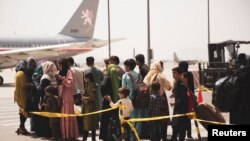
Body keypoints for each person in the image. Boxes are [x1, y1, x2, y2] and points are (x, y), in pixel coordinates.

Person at [144, 60, 172, 141]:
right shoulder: (161, 76)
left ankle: (154, 137)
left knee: (153, 120)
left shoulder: (148, 75)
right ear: (159, 67)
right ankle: (164, 137)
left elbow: (144, 85)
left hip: (151, 97)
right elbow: (169, 87)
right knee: (164, 119)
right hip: (162, 98)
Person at [56, 58, 79, 140]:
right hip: (62, 96)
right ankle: (65, 135)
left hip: (68, 97)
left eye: (59, 65)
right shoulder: (60, 72)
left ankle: (70, 135)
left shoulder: (69, 72)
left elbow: (70, 84)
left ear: (63, 65)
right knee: (64, 116)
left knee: (68, 116)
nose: (58, 67)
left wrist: (62, 79)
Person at [14, 60, 34, 135]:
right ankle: (21, 127)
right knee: (25, 111)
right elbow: (23, 85)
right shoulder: (21, 73)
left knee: (21, 111)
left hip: (18, 94)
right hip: (22, 95)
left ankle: (21, 128)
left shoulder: (17, 73)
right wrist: (31, 85)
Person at [171, 67, 188, 141]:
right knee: (175, 127)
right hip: (177, 110)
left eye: (175, 73)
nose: (173, 75)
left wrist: (175, 103)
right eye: (173, 73)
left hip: (181, 111)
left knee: (181, 129)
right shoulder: (177, 84)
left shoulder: (182, 85)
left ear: (180, 74)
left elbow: (183, 99)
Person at [178, 61, 194, 140]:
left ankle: (182, 134)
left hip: (185, 98)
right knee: (189, 117)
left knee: (183, 118)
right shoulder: (190, 74)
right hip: (190, 97)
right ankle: (189, 134)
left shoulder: (184, 75)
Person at [81, 72, 99, 141]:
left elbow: (92, 97)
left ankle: (84, 138)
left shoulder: (90, 86)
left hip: (89, 107)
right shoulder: (93, 85)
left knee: (87, 124)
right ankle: (93, 138)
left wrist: (84, 98)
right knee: (93, 124)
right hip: (92, 106)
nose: (84, 79)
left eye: (85, 78)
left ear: (88, 79)